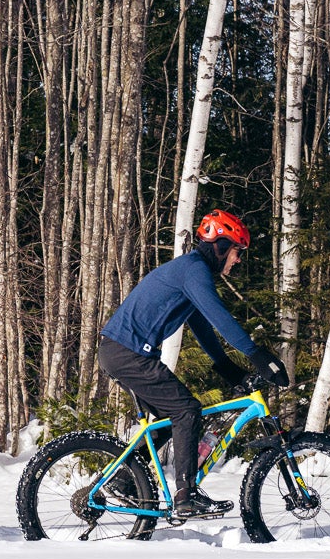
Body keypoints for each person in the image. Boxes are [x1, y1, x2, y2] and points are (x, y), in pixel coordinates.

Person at [98, 210, 289, 520]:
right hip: (126, 353)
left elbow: (200, 324)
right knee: (186, 410)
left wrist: (226, 367)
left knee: (165, 421)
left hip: (122, 352)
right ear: (221, 245)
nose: (238, 260)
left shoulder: (191, 271)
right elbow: (219, 317)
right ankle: (186, 495)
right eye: (237, 252)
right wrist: (256, 354)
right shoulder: (194, 271)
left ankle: (121, 479)